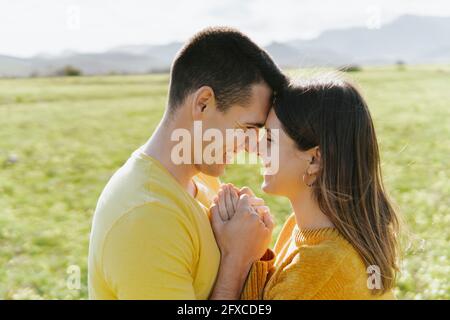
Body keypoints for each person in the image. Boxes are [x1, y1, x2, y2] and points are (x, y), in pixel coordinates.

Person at [88, 27, 287, 299]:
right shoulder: (147, 218)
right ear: (203, 103)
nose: (251, 145)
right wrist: (237, 260)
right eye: (248, 128)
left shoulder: (199, 178)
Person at [211, 76, 400, 299]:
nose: (256, 148)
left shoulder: (324, 268)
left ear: (314, 160)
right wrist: (255, 254)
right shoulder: (302, 228)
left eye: (270, 138)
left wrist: (235, 260)